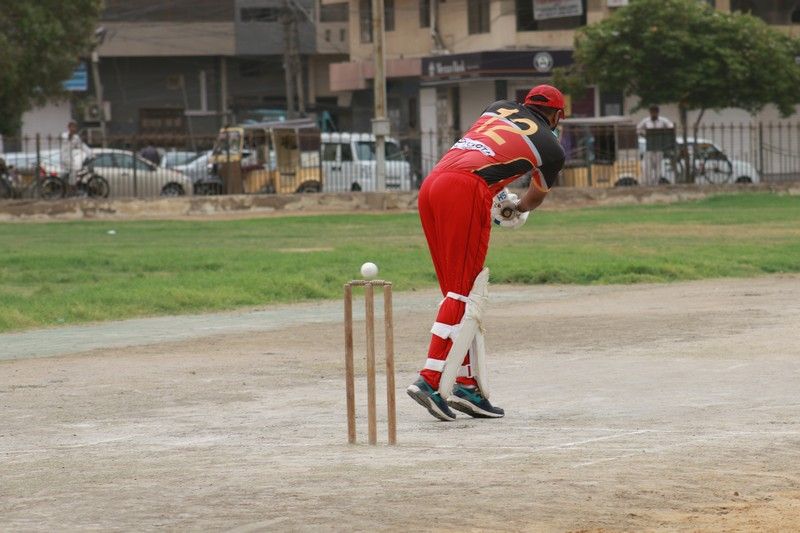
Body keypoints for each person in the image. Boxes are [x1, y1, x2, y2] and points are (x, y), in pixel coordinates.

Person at [406, 84, 566, 421]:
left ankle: (466, 384)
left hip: (433, 184)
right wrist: (517, 208)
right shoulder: (551, 147)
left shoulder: (498, 106)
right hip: (466, 189)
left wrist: (500, 197)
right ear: (556, 115)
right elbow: (536, 196)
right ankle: (430, 381)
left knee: (456, 291)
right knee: (464, 295)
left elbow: (488, 154)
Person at [637, 105, 674, 185]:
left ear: (657, 112)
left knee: (658, 167)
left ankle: (656, 183)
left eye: (655, 112)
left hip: (659, 147)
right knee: (647, 167)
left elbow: (671, 127)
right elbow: (637, 129)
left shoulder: (663, 121)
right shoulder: (646, 121)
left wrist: (664, 134)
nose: (653, 114)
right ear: (650, 112)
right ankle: (648, 183)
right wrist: (643, 135)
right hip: (649, 147)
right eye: (652, 112)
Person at [59, 121, 93, 185]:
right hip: (64, 158)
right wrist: (70, 134)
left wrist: (90, 153)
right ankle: (72, 186)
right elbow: (67, 137)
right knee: (73, 170)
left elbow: (82, 146)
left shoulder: (76, 137)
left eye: (75, 127)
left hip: (70, 158)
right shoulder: (64, 135)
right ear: (69, 127)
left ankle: (63, 185)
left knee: (66, 174)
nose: (74, 129)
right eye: (72, 127)